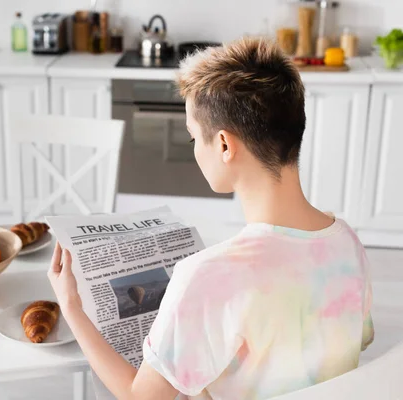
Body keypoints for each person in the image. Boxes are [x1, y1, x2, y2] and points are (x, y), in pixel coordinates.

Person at [48, 37, 374, 400]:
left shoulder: (206, 276)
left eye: (192, 138)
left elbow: (139, 398)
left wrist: (72, 308)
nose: (195, 150)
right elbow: (339, 350)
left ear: (223, 145)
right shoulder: (349, 243)